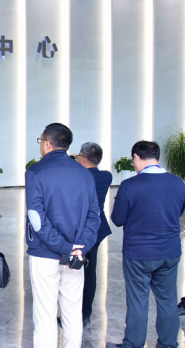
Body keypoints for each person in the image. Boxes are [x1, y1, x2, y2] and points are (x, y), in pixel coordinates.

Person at [26, 123, 100, 348]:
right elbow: (94, 215)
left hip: (45, 255)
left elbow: (36, 219)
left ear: (48, 144)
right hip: (76, 256)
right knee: (72, 312)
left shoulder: (35, 172)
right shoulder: (85, 173)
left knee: (45, 315)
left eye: (41, 141)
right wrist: (80, 247)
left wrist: (64, 247)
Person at [106, 141, 185, 348]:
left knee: (138, 301)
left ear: (137, 157)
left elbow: (118, 219)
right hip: (170, 251)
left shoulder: (130, 185)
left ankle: (133, 344)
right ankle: (168, 344)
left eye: (133, 160)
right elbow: (178, 212)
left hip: (139, 254)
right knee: (168, 300)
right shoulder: (178, 183)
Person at [72, 142, 112, 326]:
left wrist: (72, 163)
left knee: (74, 270)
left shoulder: (79, 177)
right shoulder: (106, 176)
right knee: (90, 270)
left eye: (80, 155)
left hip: (80, 230)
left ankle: (77, 313)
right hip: (97, 229)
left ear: (84, 159)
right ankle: (86, 312)